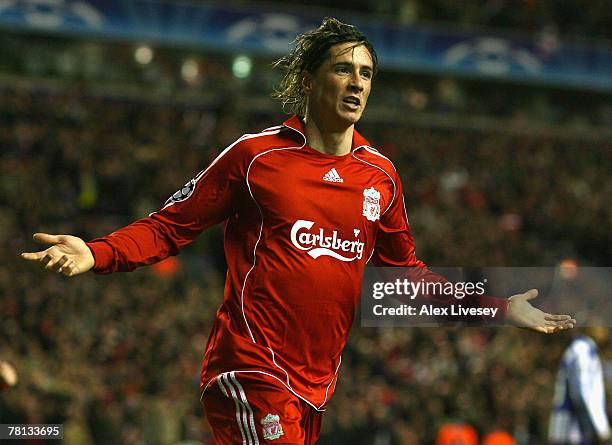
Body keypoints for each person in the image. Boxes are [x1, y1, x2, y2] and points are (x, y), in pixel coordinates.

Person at [22, 18, 575, 444]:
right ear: (310, 80)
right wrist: (96, 252)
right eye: (343, 69)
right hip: (250, 367)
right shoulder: (256, 157)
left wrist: (499, 308)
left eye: (366, 74)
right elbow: (170, 227)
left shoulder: (380, 177)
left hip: (312, 390)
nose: (357, 82)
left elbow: (408, 277)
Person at [549, 330, 610, 445]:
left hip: (571, 425)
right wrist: (600, 426)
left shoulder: (579, 348)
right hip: (576, 426)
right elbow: (583, 391)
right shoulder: (583, 349)